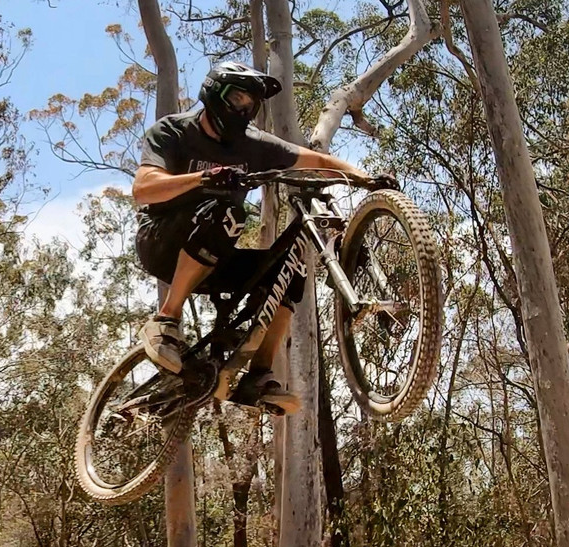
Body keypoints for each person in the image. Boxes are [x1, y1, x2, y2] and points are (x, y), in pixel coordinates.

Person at [132, 61, 391, 415]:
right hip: (160, 242)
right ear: (214, 94)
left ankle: (258, 375)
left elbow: (315, 160)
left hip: (213, 253)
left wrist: (365, 178)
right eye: (238, 98)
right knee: (228, 214)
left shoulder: (251, 143)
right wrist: (204, 178)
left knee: (290, 269)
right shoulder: (173, 131)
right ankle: (166, 322)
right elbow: (144, 188)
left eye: (251, 104)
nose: (245, 109)